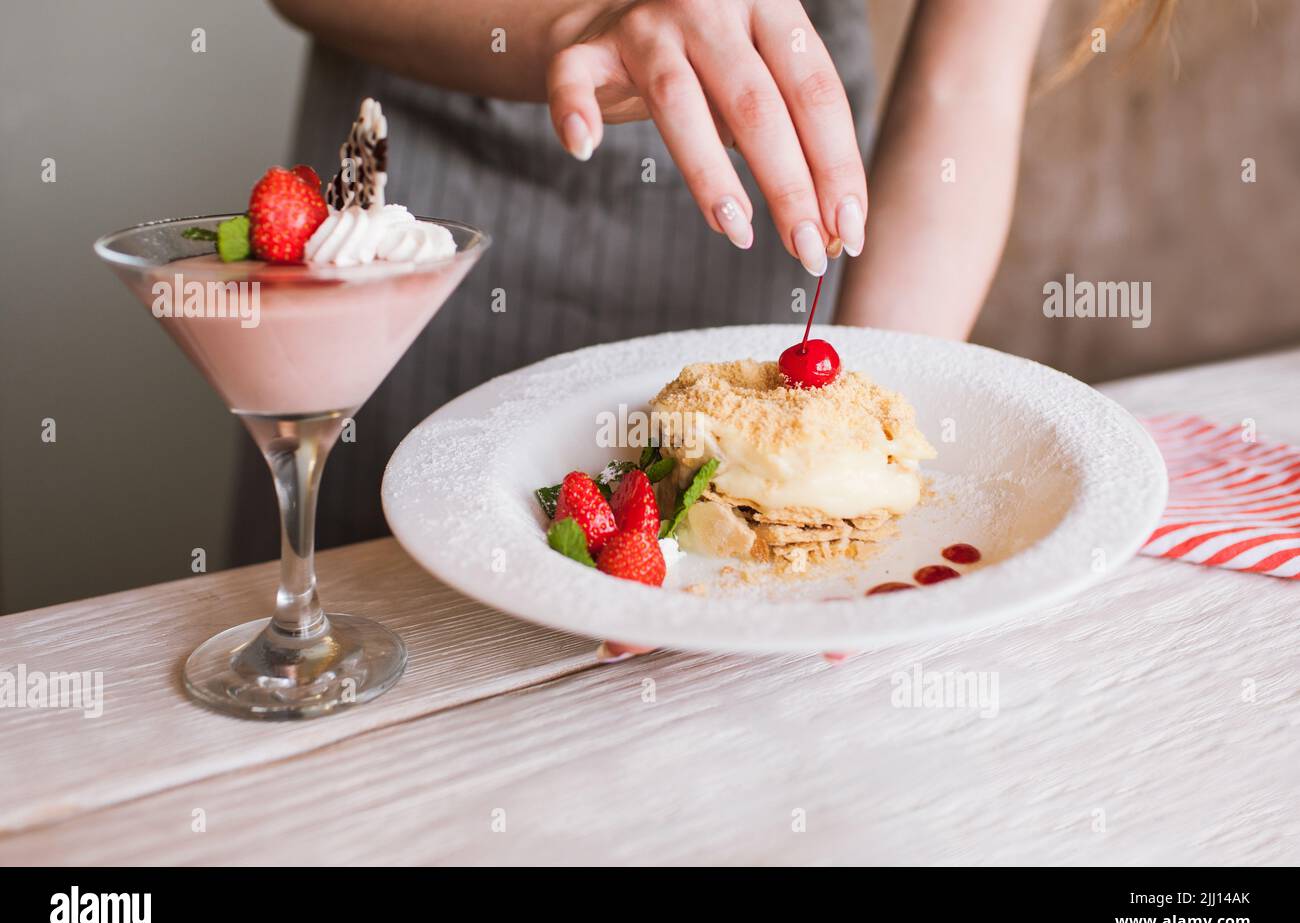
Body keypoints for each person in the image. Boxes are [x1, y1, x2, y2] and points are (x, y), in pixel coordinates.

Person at [238, 0, 1171, 656]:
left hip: (759, 178)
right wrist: (574, 24)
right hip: (433, 226)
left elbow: (966, 82)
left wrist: (850, 527)